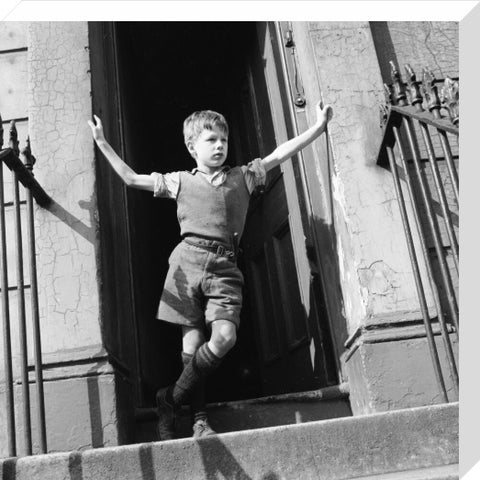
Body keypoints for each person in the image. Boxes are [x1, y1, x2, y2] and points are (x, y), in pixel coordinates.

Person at [88, 101, 333, 441]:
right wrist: (101, 142)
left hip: (224, 268)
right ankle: (199, 420)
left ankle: (169, 399)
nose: (219, 145)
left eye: (223, 140)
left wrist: (317, 128)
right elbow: (131, 179)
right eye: (210, 140)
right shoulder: (179, 182)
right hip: (186, 264)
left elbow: (281, 152)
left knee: (225, 338)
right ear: (192, 147)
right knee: (192, 345)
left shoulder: (244, 176)